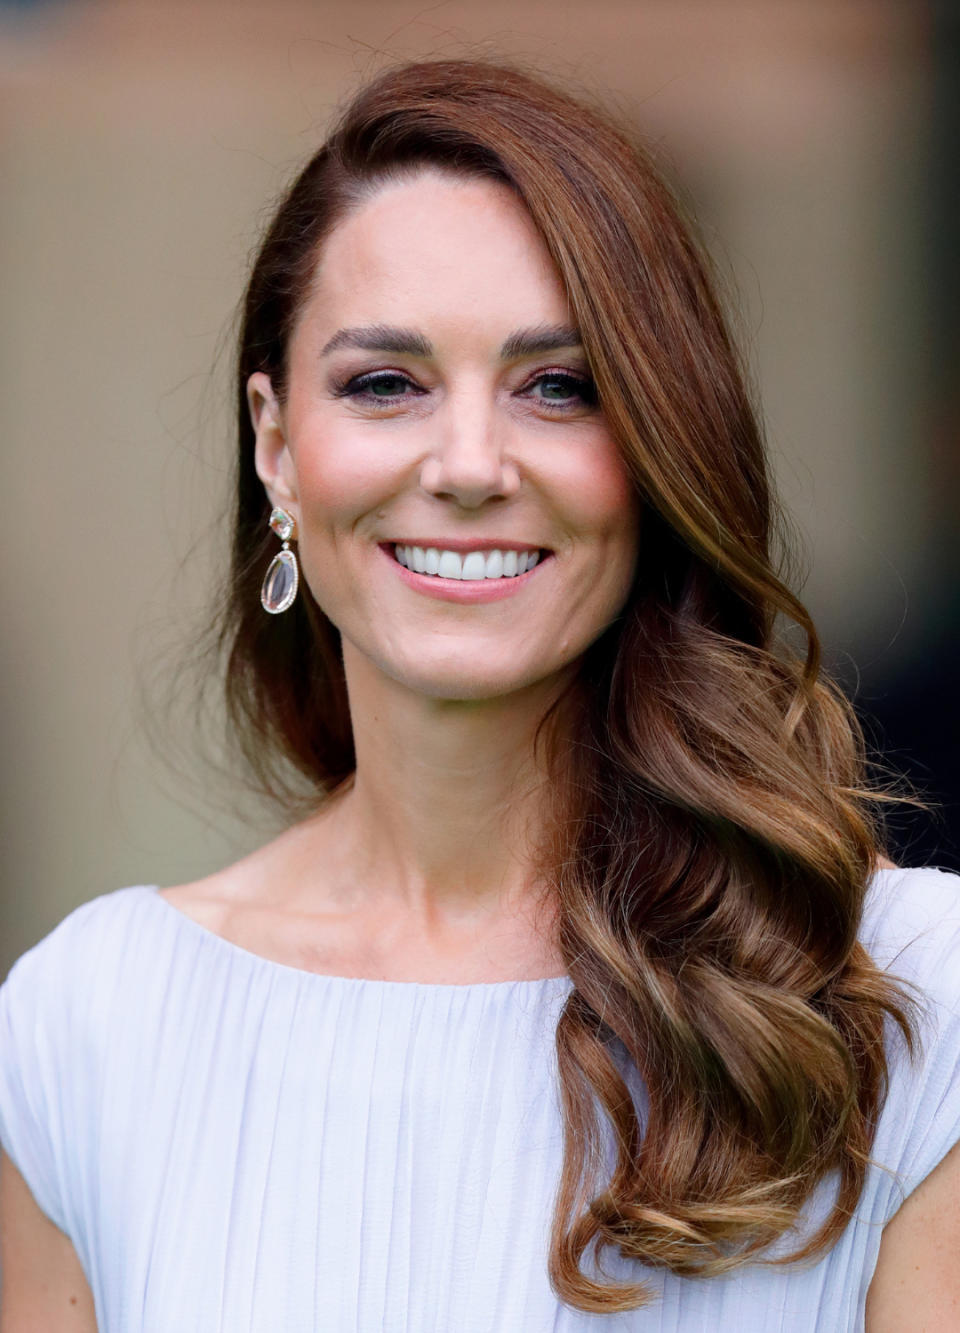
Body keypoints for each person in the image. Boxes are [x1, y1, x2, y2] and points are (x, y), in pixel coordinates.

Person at [0, 57, 958, 1333]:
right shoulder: (86, 1031)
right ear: (278, 446)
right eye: (384, 383)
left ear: (659, 445)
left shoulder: (904, 996)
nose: (466, 465)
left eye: (557, 385)